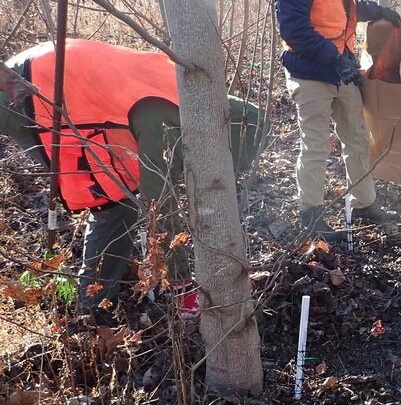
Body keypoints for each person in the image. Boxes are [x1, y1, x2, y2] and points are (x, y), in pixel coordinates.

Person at [0, 38, 261, 317]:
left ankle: (116, 268)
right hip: (31, 97)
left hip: (56, 70)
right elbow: (158, 206)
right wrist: (181, 282)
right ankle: (93, 314)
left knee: (123, 189)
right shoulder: (163, 123)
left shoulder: (197, 92)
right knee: (112, 201)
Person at [275, 0, 401, 241]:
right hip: (310, 71)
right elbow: (292, 28)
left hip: (341, 67)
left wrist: (376, 11)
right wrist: (334, 59)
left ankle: (365, 205)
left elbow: (340, 9)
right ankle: (311, 215)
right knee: (316, 145)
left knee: (357, 139)